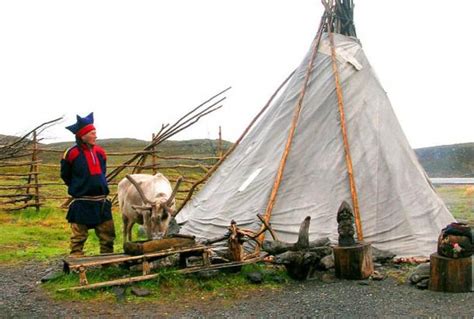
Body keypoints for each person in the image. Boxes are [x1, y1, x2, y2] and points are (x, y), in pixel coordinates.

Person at [60, 112, 115, 257]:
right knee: (78, 238)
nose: (96, 136)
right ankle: (76, 262)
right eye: (92, 133)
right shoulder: (71, 153)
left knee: (108, 237)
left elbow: (102, 172)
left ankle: (107, 262)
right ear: (83, 135)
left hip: (101, 201)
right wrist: (79, 187)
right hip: (82, 202)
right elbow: (65, 175)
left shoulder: (100, 152)